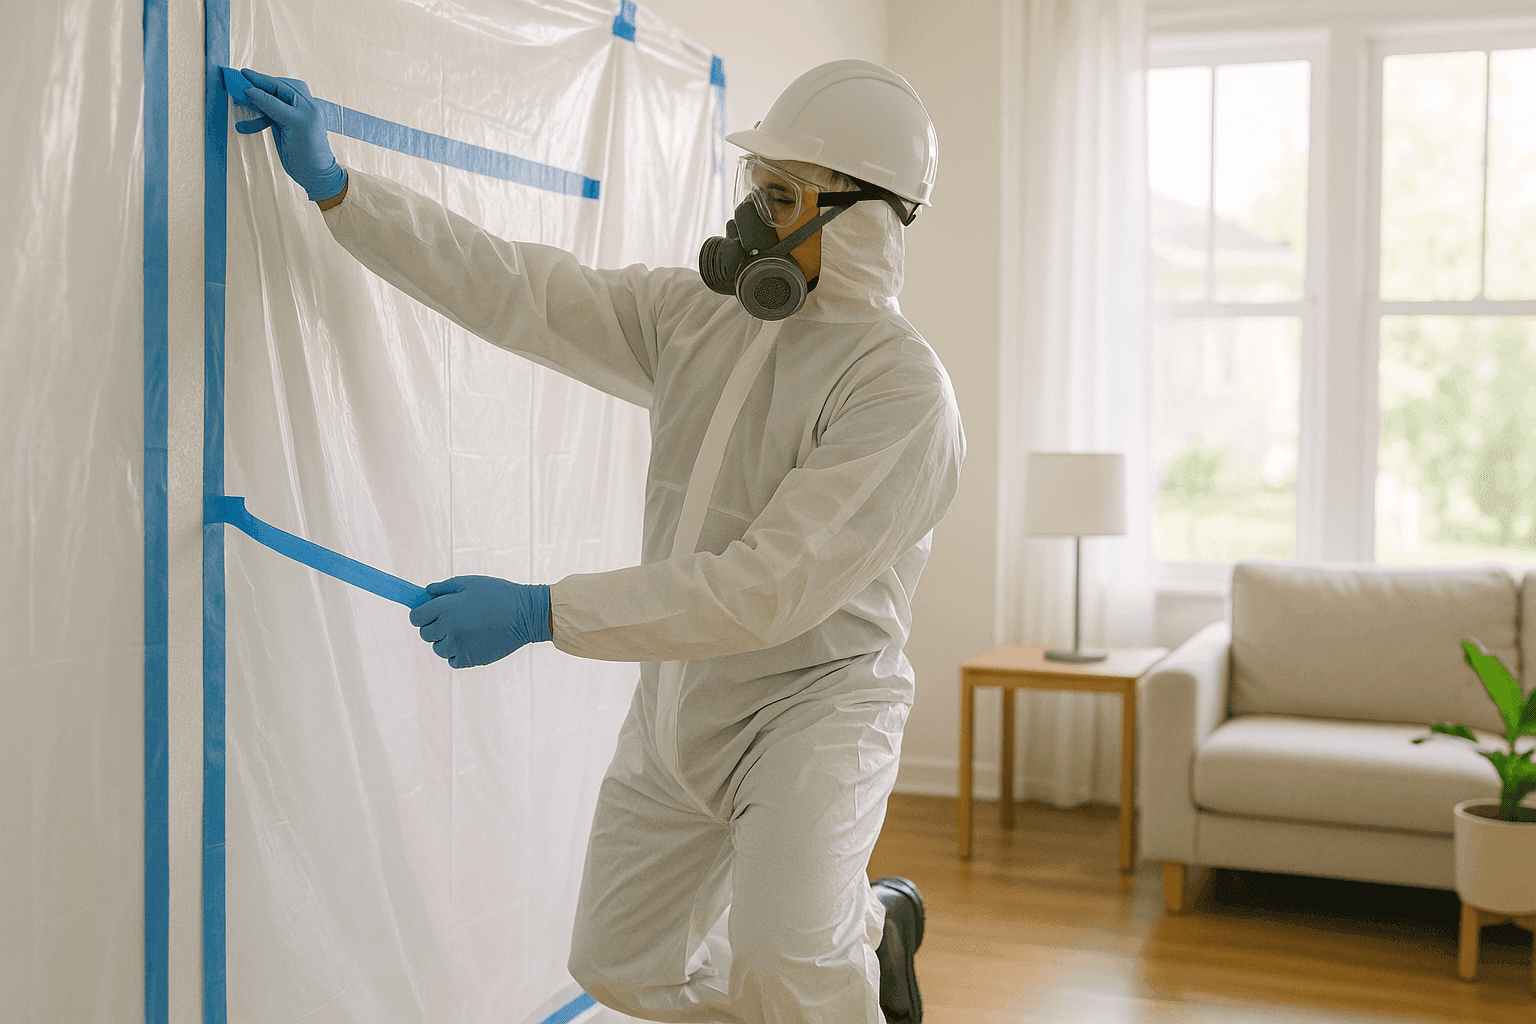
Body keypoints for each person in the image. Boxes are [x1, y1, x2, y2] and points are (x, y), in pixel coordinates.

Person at [232, 57, 963, 1024]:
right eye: (757, 188)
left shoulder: (901, 392)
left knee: (791, 980)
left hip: (812, 711)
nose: (753, 220)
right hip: (680, 699)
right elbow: (518, 289)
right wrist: (340, 191)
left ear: (865, 219)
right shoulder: (699, 317)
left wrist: (543, 612)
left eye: (785, 197)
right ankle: (865, 929)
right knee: (619, 965)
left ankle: (833, 959)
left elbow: (762, 589)